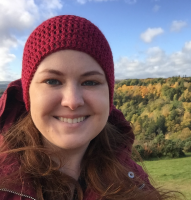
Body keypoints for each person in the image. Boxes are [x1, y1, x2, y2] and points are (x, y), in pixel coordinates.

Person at [0, 15, 180, 200]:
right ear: (27, 93)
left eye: (91, 82)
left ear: (109, 95)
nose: (72, 101)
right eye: (52, 81)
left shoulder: (133, 184)